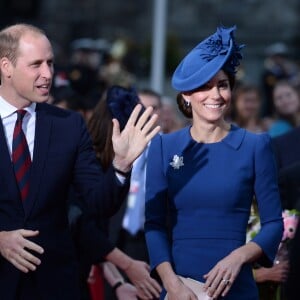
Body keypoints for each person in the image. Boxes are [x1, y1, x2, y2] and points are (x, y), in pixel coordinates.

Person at [0, 23, 160, 300]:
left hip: (54, 285)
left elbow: (97, 203)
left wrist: (120, 166)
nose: (48, 74)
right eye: (36, 64)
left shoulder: (69, 125)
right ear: (6, 66)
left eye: (50, 63)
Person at [144, 25, 283, 300]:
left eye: (222, 85)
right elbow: (154, 225)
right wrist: (172, 285)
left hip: (236, 288)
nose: (215, 95)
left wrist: (239, 257)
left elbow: (273, 225)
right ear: (186, 95)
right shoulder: (163, 146)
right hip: (179, 289)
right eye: (204, 87)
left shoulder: (255, 146)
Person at [72, 85, 162, 300]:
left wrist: (119, 281)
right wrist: (126, 267)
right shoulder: (85, 163)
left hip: (124, 255)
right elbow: (83, 227)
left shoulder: (118, 165)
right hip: (67, 275)